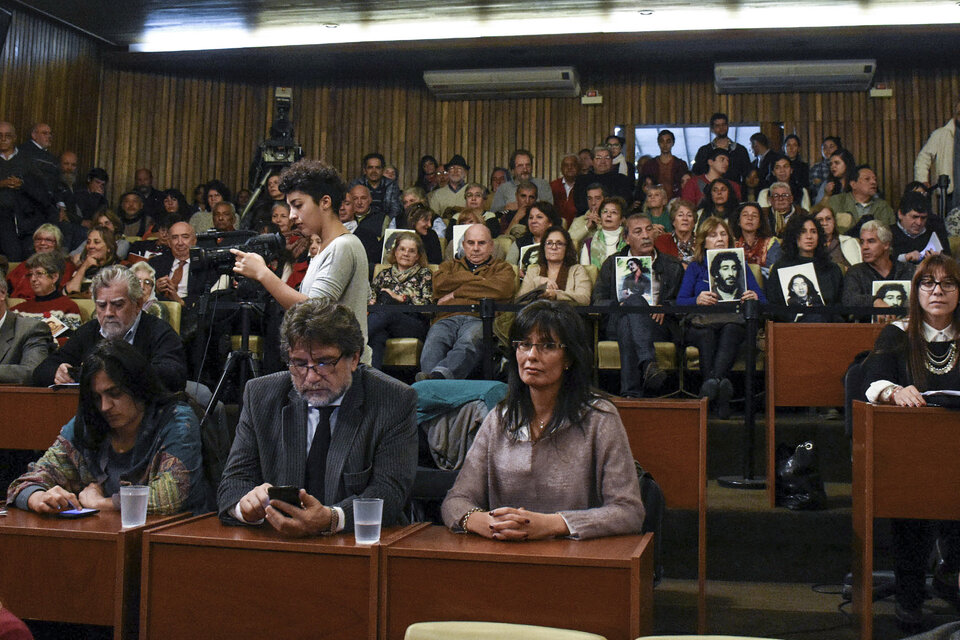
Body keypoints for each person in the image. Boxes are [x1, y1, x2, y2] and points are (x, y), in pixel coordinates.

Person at [440, 300, 645, 540]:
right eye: (524, 345)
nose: (532, 356)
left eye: (547, 346)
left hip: (577, 562)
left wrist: (553, 524)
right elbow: (455, 500)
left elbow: (629, 511)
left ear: (569, 357)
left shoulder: (600, 418)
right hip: (505, 553)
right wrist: (485, 523)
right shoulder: (500, 418)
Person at [217, 299, 417, 536]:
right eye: (300, 364)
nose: (311, 377)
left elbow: (389, 493)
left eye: (324, 362)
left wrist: (331, 518)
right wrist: (245, 507)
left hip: (358, 546)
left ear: (354, 359)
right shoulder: (261, 395)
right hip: (279, 545)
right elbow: (233, 483)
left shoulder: (393, 399)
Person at [860, 254, 960, 629]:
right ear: (916, 291)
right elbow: (870, 379)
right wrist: (894, 391)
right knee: (912, 504)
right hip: (912, 453)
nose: (938, 291)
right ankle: (910, 592)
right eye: (928, 283)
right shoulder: (898, 332)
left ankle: (951, 574)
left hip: (957, 449)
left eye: (948, 283)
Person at [7, 340, 207, 515]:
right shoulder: (88, 423)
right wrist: (38, 497)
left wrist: (101, 503)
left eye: (115, 393)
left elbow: (170, 497)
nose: (105, 406)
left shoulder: (176, 419)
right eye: (97, 397)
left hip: (170, 541)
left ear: (138, 386)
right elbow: (25, 482)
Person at [231, 159, 371, 363]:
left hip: (341, 370)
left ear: (325, 202)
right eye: (290, 207)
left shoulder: (343, 246)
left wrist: (263, 273)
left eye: (298, 205)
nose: (293, 216)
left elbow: (313, 311)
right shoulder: (324, 248)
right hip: (325, 366)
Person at [33, 265, 188, 392]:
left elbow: (173, 376)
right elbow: (41, 372)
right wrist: (58, 373)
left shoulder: (159, 331)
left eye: (117, 305)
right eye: (101, 305)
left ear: (138, 304)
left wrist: (108, 374)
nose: (108, 313)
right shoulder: (89, 331)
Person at [677, 216, 765, 417]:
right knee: (707, 334)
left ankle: (709, 392)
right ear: (703, 241)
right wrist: (697, 299)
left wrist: (754, 297)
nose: (719, 238)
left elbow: (764, 301)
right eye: (713, 235)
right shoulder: (695, 267)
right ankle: (720, 396)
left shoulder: (741, 266)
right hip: (701, 324)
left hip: (733, 321)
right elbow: (680, 302)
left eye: (723, 234)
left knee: (731, 329)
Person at [593, 213, 684, 397]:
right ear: (626, 238)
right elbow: (597, 300)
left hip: (656, 323)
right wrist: (618, 305)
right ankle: (648, 363)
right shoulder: (612, 264)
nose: (646, 235)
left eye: (649, 229)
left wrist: (665, 306)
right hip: (615, 321)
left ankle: (631, 394)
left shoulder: (672, 265)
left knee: (629, 321)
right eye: (638, 231)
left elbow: (682, 301)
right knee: (633, 303)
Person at [419, 224, 515, 380]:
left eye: (481, 243)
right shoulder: (449, 266)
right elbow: (439, 284)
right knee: (433, 343)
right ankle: (432, 387)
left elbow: (501, 289)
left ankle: (435, 381)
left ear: (491, 246)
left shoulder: (503, 268)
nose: (475, 248)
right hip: (446, 318)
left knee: (469, 341)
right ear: (463, 245)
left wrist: (456, 292)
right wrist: (480, 282)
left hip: (479, 318)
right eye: (471, 243)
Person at [367, 232, 433, 370]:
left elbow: (428, 306)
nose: (406, 254)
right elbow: (370, 298)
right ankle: (373, 381)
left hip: (413, 324)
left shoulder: (424, 274)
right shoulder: (383, 274)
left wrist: (402, 299)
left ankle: (356, 335)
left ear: (418, 256)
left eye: (411, 251)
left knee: (388, 310)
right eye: (402, 249)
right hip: (383, 321)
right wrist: (373, 302)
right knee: (377, 336)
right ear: (395, 252)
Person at [766, 213, 844, 321]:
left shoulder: (832, 269)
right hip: (790, 329)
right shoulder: (780, 267)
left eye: (813, 232)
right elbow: (773, 306)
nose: (809, 236)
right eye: (803, 232)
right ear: (794, 236)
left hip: (827, 326)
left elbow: (840, 305)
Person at [842, 220, 916, 321]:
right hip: (867, 332)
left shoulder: (908, 270)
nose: (865, 247)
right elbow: (848, 300)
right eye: (862, 242)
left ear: (886, 245)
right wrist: (874, 301)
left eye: (871, 241)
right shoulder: (855, 272)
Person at [10, 252, 81, 346]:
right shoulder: (18, 310)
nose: (33, 279)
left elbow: (72, 342)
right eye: (30, 274)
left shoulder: (68, 307)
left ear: (54, 277)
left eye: (39, 273)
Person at [516, 226, 590, 305]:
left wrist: (556, 295)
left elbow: (585, 299)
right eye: (549, 243)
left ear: (567, 248)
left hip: (567, 315)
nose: (554, 247)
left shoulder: (577, 270)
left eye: (559, 243)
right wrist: (538, 282)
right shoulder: (533, 270)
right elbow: (519, 301)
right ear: (543, 247)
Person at [6, 224, 75, 299]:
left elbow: (61, 291)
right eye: (38, 239)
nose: (42, 243)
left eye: (48, 240)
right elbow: (7, 284)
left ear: (57, 244)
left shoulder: (65, 266)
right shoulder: (25, 264)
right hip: (15, 304)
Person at [63, 226, 121, 295]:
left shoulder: (119, 270)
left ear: (109, 247)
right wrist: (84, 266)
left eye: (96, 242)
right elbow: (68, 293)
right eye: (88, 242)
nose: (90, 246)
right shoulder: (82, 268)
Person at [733, 202, 781, 279]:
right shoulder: (732, 244)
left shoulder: (771, 243)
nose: (750, 218)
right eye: (745, 215)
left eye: (754, 215)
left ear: (760, 223)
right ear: (738, 221)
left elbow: (773, 272)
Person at [639, 129, 688, 198]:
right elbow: (642, 185)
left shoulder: (680, 164)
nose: (665, 145)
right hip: (654, 200)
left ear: (673, 143)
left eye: (668, 141)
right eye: (662, 141)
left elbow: (686, 185)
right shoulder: (649, 165)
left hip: (676, 201)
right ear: (658, 143)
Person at [580, 196, 626, 268]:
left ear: (621, 220)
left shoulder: (629, 241)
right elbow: (585, 272)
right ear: (600, 217)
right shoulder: (589, 244)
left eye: (614, 212)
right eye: (605, 211)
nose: (608, 215)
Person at [813, 204, 860, 270]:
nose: (825, 223)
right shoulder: (810, 245)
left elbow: (858, 271)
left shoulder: (848, 242)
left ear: (834, 221)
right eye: (820, 220)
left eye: (828, 219)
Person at [655, 199, 697, 267]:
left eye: (689, 215)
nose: (685, 219)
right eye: (680, 215)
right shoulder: (662, 241)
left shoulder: (701, 242)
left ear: (694, 223)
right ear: (673, 221)